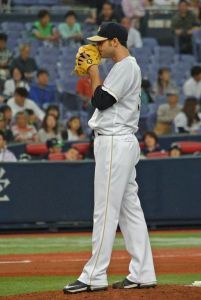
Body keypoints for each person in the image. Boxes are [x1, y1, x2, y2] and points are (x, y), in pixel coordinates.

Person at [63, 22, 156, 294]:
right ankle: (143, 271)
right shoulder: (126, 67)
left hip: (115, 141)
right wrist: (97, 70)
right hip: (121, 141)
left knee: (105, 210)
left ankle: (94, 275)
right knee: (130, 210)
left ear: (115, 41)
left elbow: (101, 101)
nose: (97, 46)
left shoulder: (125, 66)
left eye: (101, 42)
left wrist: (93, 70)